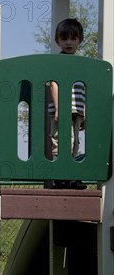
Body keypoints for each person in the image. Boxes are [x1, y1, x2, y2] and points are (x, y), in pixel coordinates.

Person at [46, 18, 87, 190]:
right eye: (64, 39)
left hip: (76, 109)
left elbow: (84, 88)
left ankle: (70, 175)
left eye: (73, 38)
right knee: (62, 141)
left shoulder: (82, 64)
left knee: (75, 142)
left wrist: (84, 112)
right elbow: (54, 84)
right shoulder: (58, 61)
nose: (68, 42)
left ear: (80, 40)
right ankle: (59, 176)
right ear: (58, 41)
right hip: (62, 109)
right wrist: (58, 107)